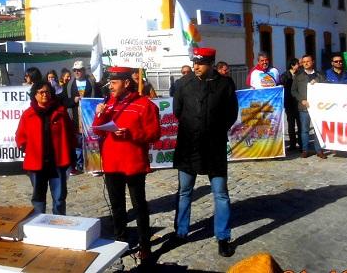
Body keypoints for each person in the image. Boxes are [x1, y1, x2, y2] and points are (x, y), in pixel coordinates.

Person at [171, 47, 239, 257]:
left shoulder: (225, 84)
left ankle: (223, 236)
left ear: (210, 63)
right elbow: (177, 111)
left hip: (214, 148)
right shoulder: (183, 84)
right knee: (184, 191)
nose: (196, 67)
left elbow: (231, 113)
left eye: (200, 63)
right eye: (194, 62)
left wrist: (215, 130)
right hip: (188, 146)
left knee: (221, 194)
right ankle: (181, 231)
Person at [93, 67, 161, 263]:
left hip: (134, 163)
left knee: (139, 206)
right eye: (110, 82)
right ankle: (121, 240)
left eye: (114, 82)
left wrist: (131, 134)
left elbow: (155, 134)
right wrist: (100, 115)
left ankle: (145, 244)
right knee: (117, 206)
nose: (110, 86)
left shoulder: (144, 105)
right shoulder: (109, 103)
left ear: (126, 83)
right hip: (112, 163)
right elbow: (98, 132)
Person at [15, 80, 76, 215]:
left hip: (57, 162)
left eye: (47, 92)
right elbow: (20, 135)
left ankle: (59, 223)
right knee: (38, 198)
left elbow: (71, 134)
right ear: (35, 95)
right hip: (37, 164)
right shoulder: (28, 114)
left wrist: (71, 153)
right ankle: (38, 224)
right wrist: (27, 148)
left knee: (59, 198)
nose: (45, 95)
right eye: (41, 92)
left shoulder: (61, 112)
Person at [64, 60, 101, 173]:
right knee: (77, 143)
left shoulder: (92, 83)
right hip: (75, 118)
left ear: (84, 70)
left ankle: (94, 166)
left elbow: (99, 97)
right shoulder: (69, 84)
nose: (77, 72)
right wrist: (73, 100)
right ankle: (78, 165)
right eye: (75, 70)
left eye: (79, 70)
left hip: (90, 116)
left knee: (92, 141)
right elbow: (64, 101)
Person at [291, 54, 327, 159]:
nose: (306, 63)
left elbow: (326, 88)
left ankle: (319, 150)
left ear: (313, 62)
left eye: (308, 61)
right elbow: (293, 91)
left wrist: (319, 83)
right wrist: (301, 100)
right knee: (304, 130)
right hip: (304, 108)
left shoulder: (320, 75)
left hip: (317, 107)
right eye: (304, 62)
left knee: (318, 130)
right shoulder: (298, 75)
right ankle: (305, 150)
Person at [280, 58, 301, 150]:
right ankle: (292, 144)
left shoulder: (300, 74)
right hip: (289, 103)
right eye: (298, 64)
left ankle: (301, 143)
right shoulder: (285, 75)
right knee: (291, 124)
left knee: (300, 124)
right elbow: (281, 87)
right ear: (293, 65)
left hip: (299, 103)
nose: (299, 65)